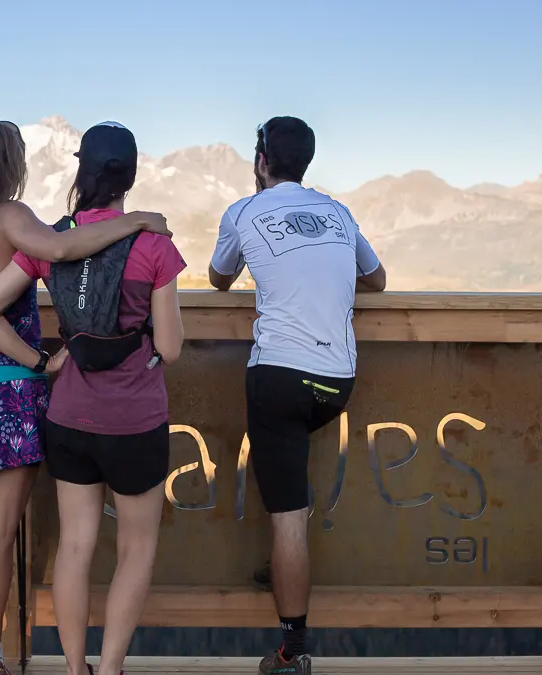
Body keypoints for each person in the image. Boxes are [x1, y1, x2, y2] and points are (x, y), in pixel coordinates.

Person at [0, 119, 172, 675]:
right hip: (5, 389)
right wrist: (139, 221)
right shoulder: (10, 216)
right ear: (16, 165)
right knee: (0, 537)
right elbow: (64, 244)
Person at [208, 116, 387, 675]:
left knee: (287, 512)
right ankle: (285, 560)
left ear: (261, 161)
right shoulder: (338, 212)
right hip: (335, 382)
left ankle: (291, 650)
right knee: (292, 487)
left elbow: (218, 279)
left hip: (280, 377)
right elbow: (377, 280)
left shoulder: (243, 211)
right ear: (305, 162)